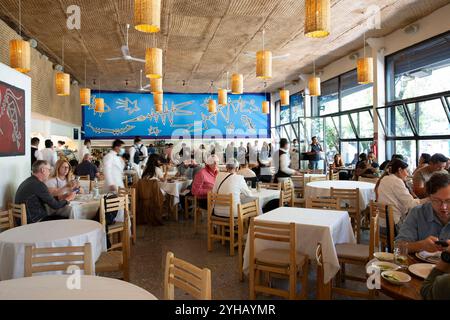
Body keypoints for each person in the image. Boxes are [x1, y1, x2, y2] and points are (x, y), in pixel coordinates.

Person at [396, 173, 450, 253]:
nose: (443, 207)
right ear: (429, 198)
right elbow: (398, 246)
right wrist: (420, 245)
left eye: (448, 201)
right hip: (419, 265)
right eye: (436, 201)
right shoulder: (418, 213)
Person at [377, 159, 424, 226]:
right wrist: (427, 200)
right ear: (400, 170)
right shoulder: (396, 181)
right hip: (393, 225)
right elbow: (410, 204)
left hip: (382, 224)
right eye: (406, 171)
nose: (407, 174)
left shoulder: (384, 179)